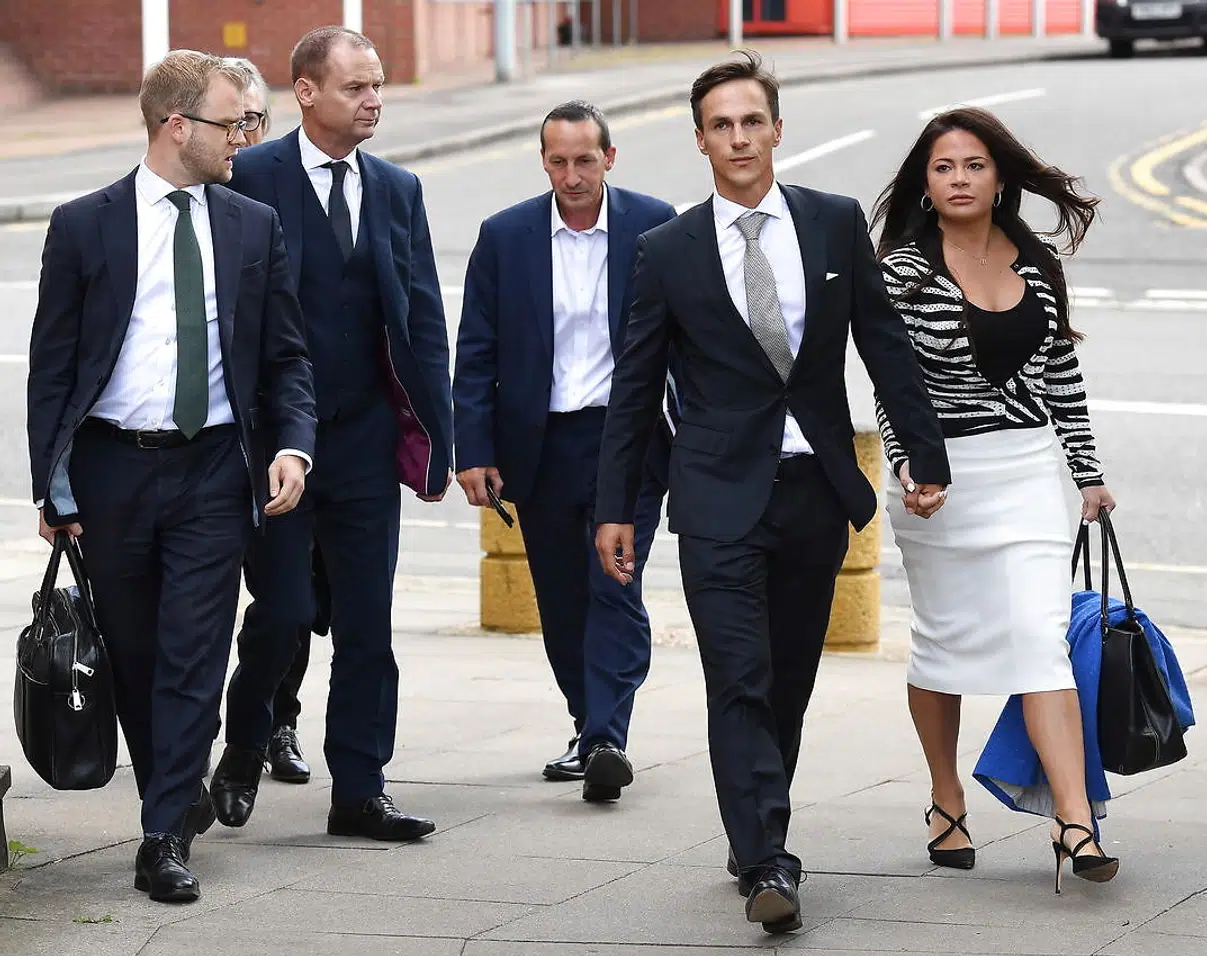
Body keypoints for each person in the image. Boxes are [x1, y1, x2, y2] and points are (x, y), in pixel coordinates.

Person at [592, 51, 950, 935]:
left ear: (778, 130)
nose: (739, 138)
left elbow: (884, 344)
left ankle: (753, 818)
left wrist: (922, 454)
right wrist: (613, 506)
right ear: (701, 140)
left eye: (753, 121)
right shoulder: (665, 251)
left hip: (816, 492)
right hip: (716, 495)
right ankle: (767, 858)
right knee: (738, 678)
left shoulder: (831, 226)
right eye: (721, 124)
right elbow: (634, 387)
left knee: (786, 679)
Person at [26, 50, 316, 902]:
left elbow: (286, 357)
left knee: (195, 648)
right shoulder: (85, 225)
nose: (248, 138)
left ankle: (160, 837)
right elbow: (51, 369)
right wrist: (54, 485)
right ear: (177, 126)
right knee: (139, 655)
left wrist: (292, 444)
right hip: (113, 469)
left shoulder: (252, 225)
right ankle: (173, 786)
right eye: (235, 122)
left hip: (212, 470)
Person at [210, 25, 454, 842]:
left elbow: (422, 323)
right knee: (278, 612)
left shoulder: (397, 188)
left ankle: (360, 788)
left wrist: (443, 439)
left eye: (378, 85)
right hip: (275, 444)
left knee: (366, 625)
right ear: (307, 93)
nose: (374, 99)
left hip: (364, 441)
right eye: (356, 87)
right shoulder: (247, 177)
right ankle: (244, 742)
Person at [870, 107, 1120, 889]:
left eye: (974, 165)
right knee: (941, 644)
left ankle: (1074, 822)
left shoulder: (1036, 262)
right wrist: (913, 468)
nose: (959, 180)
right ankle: (947, 800)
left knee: (1038, 639)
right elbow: (893, 383)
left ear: (1000, 175)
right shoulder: (902, 270)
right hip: (941, 482)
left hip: (1026, 474)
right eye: (943, 168)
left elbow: (1062, 379)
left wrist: (1087, 472)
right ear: (926, 182)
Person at [453, 101, 677, 801]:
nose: (573, 175)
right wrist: (474, 448)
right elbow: (477, 350)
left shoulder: (655, 224)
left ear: (610, 157)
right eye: (559, 161)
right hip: (541, 445)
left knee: (614, 583)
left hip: (629, 438)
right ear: (543, 161)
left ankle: (609, 734)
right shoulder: (506, 235)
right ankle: (590, 726)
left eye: (586, 160)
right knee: (561, 597)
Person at [220, 55, 330, 787]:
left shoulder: (282, 190)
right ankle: (216, 735)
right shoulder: (220, 193)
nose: (245, 138)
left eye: (255, 121)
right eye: (234, 122)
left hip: (293, 433)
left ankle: (275, 719)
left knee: (291, 600)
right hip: (216, 440)